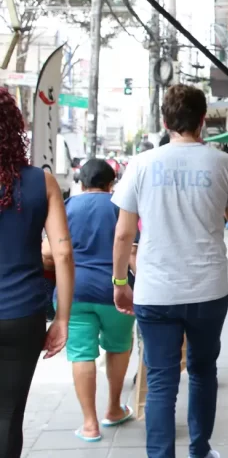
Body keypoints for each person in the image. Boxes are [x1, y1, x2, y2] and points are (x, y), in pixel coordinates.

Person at [111, 84, 228, 458]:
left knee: (160, 382)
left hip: (155, 290)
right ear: (203, 120)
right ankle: (200, 450)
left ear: (165, 121)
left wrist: (121, 281)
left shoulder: (141, 164)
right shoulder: (221, 163)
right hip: (208, 289)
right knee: (203, 372)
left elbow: (124, 232)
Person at [42, 159, 139, 442]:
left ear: (81, 183)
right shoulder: (121, 206)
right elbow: (132, 252)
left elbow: (50, 252)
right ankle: (113, 409)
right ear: (112, 183)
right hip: (116, 291)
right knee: (119, 346)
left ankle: (89, 424)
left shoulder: (68, 206)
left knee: (81, 353)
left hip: (74, 292)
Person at [0, 88, 73, 458]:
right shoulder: (39, 182)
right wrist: (61, 318)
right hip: (22, 315)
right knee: (9, 416)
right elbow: (62, 251)